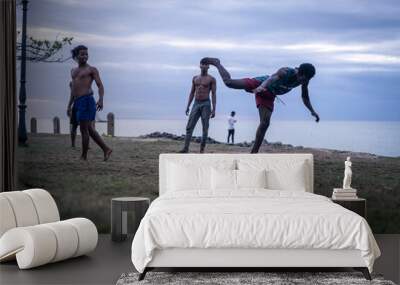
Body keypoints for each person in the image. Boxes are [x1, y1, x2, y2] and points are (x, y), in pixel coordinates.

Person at [201, 57, 319, 153]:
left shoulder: (304, 80)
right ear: (299, 72)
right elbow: (272, 78)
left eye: (306, 80)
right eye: (303, 78)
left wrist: (312, 111)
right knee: (229, 83)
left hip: (269, 95)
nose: (303, 81)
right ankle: (217, 63)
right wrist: (261, 87)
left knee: (265, 123)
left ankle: (254, 153)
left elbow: (305, 96)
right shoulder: (286, 71)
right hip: (261, 83)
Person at [70, 45, 112, 161]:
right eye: (82, 54)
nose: (85, 56)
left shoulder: (91, 70)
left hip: (87, 100)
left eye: (86, 54)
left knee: (84, 130)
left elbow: (100, 85)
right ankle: (106, 149)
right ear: (76, 56)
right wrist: (71, 105)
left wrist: (101, 99)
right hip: (78, 102)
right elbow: (74, 89)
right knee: (89, 129)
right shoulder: (73, 71)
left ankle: (84, 156)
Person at [179, 62, 217, 153]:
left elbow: (214, 94)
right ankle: (185, 148)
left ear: (208, 67)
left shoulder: (211, 79)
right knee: (189, 126)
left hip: (206, 103)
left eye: (206, 64)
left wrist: (214, 109)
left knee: (205, 127)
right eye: (202, 64)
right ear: (200, 66)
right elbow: (192, 92)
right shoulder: (195, 78)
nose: (204, 66)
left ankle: (202, 150)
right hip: (196, 103)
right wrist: (188, 106)